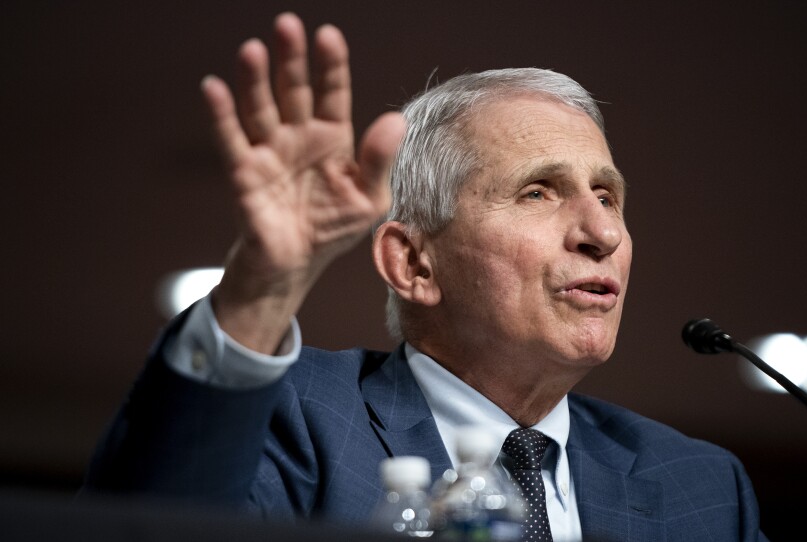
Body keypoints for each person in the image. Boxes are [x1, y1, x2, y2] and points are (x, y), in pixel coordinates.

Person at [82, 11, 769, 542]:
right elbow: (147, 526)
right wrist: (263, 285)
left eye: (608, 195)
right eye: (539, 191)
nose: (604, 233)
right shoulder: (300, 420)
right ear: (413, 263)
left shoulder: (701, 488)